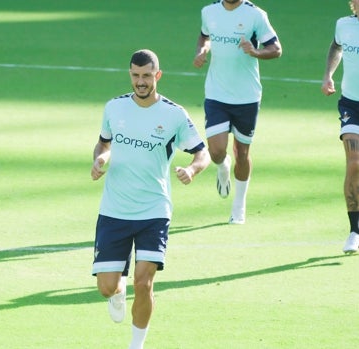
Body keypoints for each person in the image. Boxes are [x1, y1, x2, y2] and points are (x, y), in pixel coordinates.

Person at [91, 49, 210, 349]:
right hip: (114, 209)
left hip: (153, 210)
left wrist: (193, 170)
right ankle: (117, 291)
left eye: (146, 76)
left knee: (143, 284)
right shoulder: (114, 108)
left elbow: (202, 151)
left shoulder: (173, 114)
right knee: (106, 287)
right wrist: (100, 160)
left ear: (157, 75)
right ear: (130, 74)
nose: (140, 81)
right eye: (135, 75)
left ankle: (136, 345)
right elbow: (103, 143)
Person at [193, 0, 282, 224]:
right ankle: (222, 166)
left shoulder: (256, 15)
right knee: (216, 151)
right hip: (216, 93)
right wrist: (202, 50)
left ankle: (239, 206)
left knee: (242, 153)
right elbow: (205, 35)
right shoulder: (209, 11)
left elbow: (276, 49)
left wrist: (255, 51)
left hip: (247, 97)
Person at [321, 0, 359, 254]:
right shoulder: (343, 25)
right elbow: (336, 46)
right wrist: (328, 75)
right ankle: (355, 230)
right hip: (351, 104)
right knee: (354, 162)